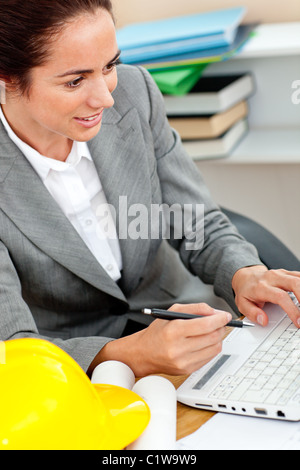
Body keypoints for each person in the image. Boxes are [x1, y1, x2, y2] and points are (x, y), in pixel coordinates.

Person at [0, 0, 300, 379]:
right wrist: (127, 354)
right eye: (75, 81)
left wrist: (243, 272)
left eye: (109, 65)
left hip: (181, 319)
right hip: (69, 370)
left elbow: (195, 221)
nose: (106, 98)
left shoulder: (134, 92)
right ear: (6, 78)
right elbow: (13, 348)